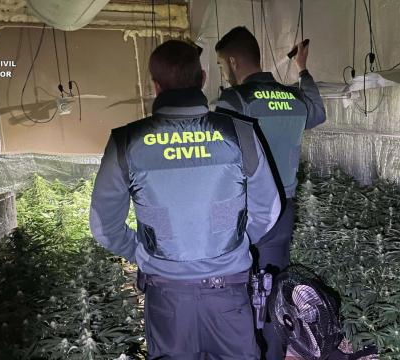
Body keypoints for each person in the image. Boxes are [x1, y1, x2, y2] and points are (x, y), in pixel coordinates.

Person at [89, 39, 282, 360]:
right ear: (203, 78)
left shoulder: (127, 142)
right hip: (228, 294)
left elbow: (104, 227)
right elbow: (269, 208)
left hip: (167, 298)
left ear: (155, 86)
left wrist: (142, 250)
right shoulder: (239, 133)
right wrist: (236, 241)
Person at [215, 26, 326, 359]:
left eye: (222, 66)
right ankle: (274, 351)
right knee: (274, 287)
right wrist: (302, 70)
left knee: (239, 288)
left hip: (246, 212)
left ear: (233, 61)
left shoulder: (234, 100)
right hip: (284, 209)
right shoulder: (292, 97)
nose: (224, 72)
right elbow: (318, 114)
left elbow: (223, 158)